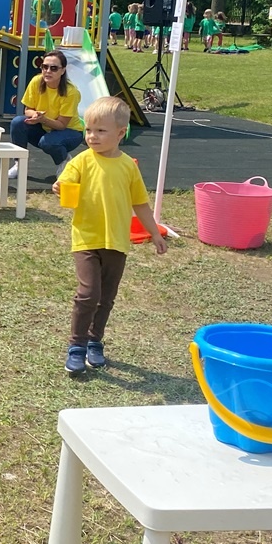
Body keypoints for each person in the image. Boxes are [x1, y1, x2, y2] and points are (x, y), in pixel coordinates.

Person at [52, 97, 166, 374]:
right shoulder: (81, 161)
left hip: (116, 241)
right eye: (89, 130)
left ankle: (95, 341)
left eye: (100, 130)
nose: (92, 136)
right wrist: (59, 187)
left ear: (120, 133)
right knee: (88, 293)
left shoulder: (128, 166)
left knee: (106, 297)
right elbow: (65, 182)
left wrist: (155, 233)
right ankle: (76, 345)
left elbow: (140, 204)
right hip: (87, 238)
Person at [7, 49, 84, 180]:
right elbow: (28, 110)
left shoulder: (71, 92)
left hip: (70, 132)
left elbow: (61, 125)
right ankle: (19, 164)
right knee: (17, 123)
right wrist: (35, 115)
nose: (48, 71)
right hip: (45, 127)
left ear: (63, 70)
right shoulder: (36, 81)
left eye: (54, 68)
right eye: (44, 67)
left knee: (48, 142)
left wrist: (42, 119)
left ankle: (64, 160)